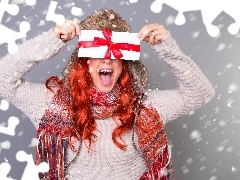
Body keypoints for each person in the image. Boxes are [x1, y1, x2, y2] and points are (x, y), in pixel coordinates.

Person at [0, 8, 215, 180]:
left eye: (115, 54)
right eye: (97, 52)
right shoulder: (50, 104)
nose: (107, 59)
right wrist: (53, 40)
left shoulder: (144, 108)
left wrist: (167, 48)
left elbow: (200, 92)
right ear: (84, 62)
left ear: (124, 64)